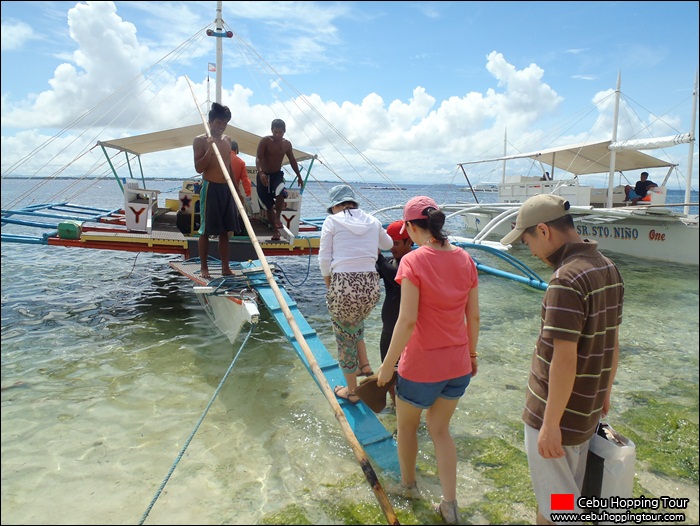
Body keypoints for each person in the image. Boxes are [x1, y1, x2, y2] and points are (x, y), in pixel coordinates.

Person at [499, 194, 624, 525]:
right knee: (560, 500)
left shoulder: (566, 279)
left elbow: (564, 358)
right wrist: (605, 393)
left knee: (561, 509)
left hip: (557, 419)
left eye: (528, 243)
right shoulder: (608, 268)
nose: (532, 253)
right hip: (585, 412)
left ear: (543, 231)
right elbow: (612, 340)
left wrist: (550, 424)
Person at [376, 196, 480, 525]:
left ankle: (408, 486)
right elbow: (473, 316)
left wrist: (387, 365)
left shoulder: (413, 262)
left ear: (409, 227)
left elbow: (406, 321)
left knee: (406, 428)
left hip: (421, 366)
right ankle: (450, 504)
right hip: (458, 365)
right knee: (441, 431)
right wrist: (473, 354)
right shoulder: (466, 259)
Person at [318, 184, 393, 405]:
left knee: (343, 336)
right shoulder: (372, 220)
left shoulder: (331, 221)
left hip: (344, 283)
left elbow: (324, 259)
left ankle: (351, 392)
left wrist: (329, 285)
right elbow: (387, 244)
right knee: (355, 319)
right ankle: (365, 365)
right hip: (371, 285)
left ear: (335, 206)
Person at [192, 102, 240, 278]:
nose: (221, 126)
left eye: (224, 123)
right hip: (210, 187)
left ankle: (225, 267)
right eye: (219, 123)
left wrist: (236, 191)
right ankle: (204, 267)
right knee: (205, 230)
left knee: (225, 231)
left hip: (226, 189)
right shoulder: (200, 140)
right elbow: (199, 168)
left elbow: (228, 168)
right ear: (211, 122)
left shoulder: (227, 141)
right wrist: (210, 151)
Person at [375, 219, 413, 407]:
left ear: (410, 242)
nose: (392, 248)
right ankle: (396, 409)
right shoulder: (390, 262)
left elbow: (394, 275)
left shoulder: (410, 264)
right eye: (389, 244)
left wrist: (378, 257)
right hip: (388, 329)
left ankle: (406, 414)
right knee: (388, 372)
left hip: (403, 330)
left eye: (396, 244)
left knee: (405, 375)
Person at [255, 118, 304, 240]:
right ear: (271, 130)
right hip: (263, 175)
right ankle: (275, 231)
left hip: (277, 175)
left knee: (281, 192)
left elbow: (292, 160)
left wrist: (299, 176)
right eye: (275, 132)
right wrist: (261, 173)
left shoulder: (287, 144)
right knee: (268, 206)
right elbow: (258, 158)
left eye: (280, 132)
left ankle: (278, 218)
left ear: (284, 131)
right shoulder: (265, 141)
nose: (277, 135)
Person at [230, 140, 252, 206]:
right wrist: (248, 194)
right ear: (236, 150)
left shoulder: (220, 157)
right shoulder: (240, 162)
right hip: (233, 193)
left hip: (218, 191)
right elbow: (245, 180)